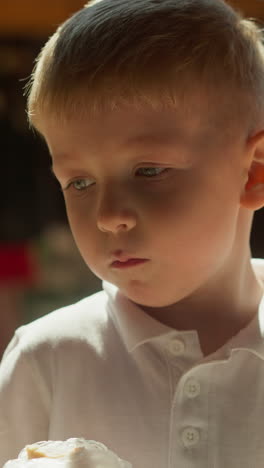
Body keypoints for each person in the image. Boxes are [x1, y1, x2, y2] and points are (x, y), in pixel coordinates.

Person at [0, 0, 264, 466]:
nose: (107, 216)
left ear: (253, 172)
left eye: (148, 171)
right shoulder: (46, 360)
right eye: (79, 182)